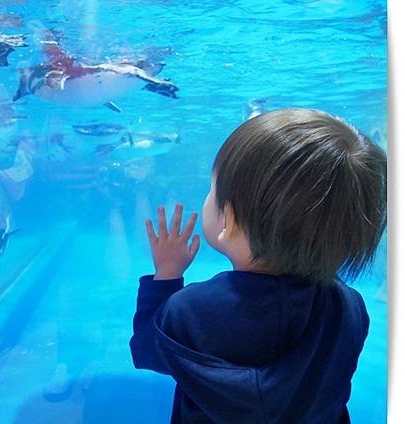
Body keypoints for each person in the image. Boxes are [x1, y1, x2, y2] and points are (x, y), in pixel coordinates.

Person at [130, 108, 387, 423]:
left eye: (213, 189)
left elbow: (147, 350)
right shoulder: (348, 306)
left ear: (231, 220)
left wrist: (167, 277)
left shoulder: (191, 310)